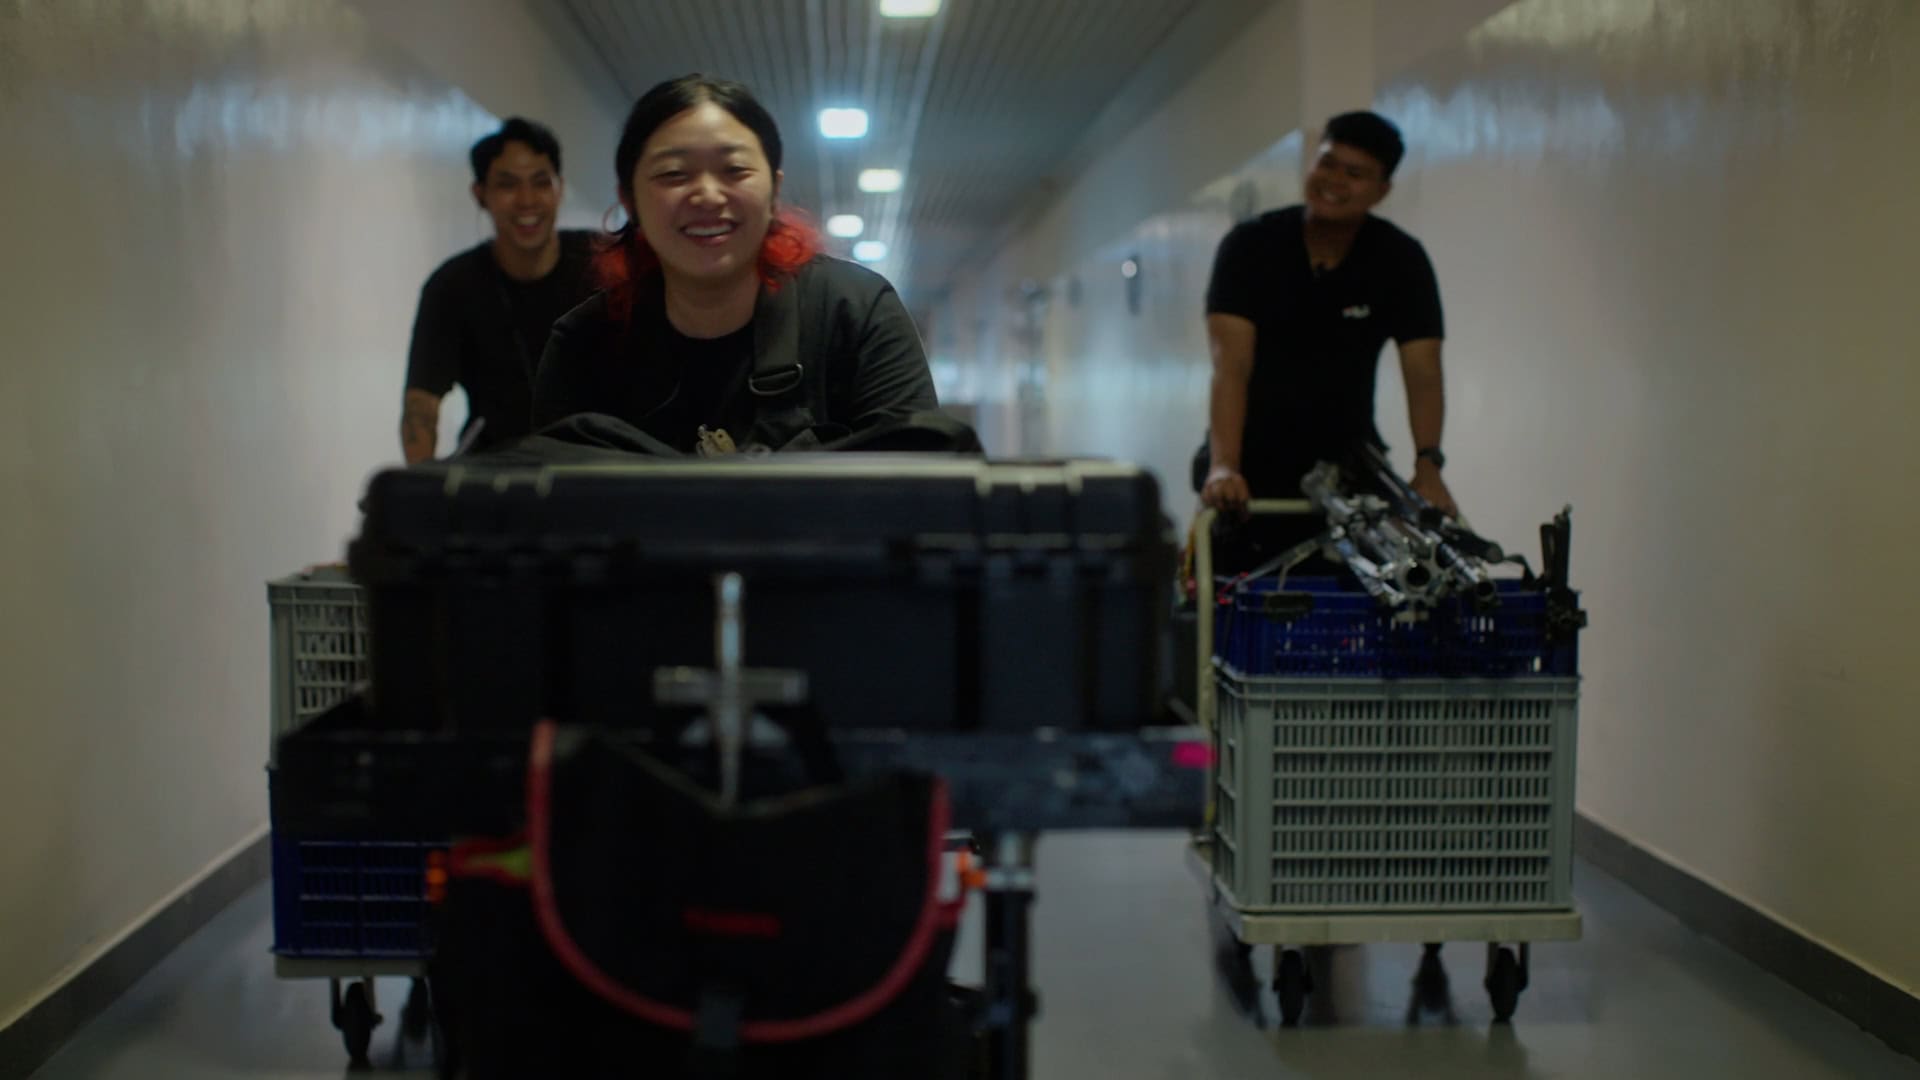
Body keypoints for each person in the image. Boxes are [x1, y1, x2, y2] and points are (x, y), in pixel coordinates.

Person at [531, 75, 938, 452]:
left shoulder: (855, 312)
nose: (708, 195)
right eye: (674, 174)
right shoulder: (585, 344)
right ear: (629, 198)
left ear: (774, 191)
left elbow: (920, 487)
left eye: (735, 170)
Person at [1197, 111, 1455, 569]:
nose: (1334, 181)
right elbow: (1231, 367)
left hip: (1348, 469)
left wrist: (1428, 467)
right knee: (1233, 594)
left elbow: (1423, 372)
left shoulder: (1400, 260)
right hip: (1252, 470)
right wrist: (1224, 466)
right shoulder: (1250, 247)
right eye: (1327, 163)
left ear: (1381, 190)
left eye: (1354, 173)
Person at [401, 117, 598, 463]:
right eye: (508, 185)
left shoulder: (603, 264)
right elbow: (421, 409)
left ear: (559, 189)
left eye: (541, 183)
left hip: (600, 467)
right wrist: (422, 487)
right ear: (480, 195)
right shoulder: (452, 286)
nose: (527, 200)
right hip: (496, 474)